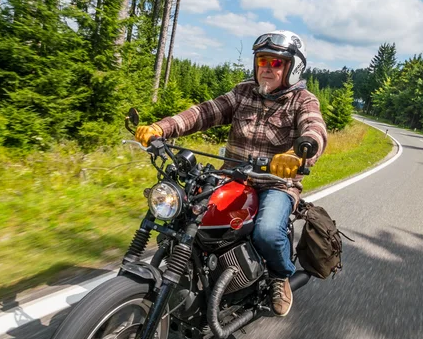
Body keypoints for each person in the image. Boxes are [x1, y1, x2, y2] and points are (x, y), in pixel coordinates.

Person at [135, 30, 328, 317]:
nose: (267, 68)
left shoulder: (302, 100)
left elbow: (315, 129)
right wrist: (163, 128)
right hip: (232, 177)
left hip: (275, 184)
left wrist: (300, 152)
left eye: (276, 63)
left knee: (267, 232)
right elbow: (204, 112)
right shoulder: (242, 92)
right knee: (184, 212)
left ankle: (279, 276)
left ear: (292, 67)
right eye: (263, 60)